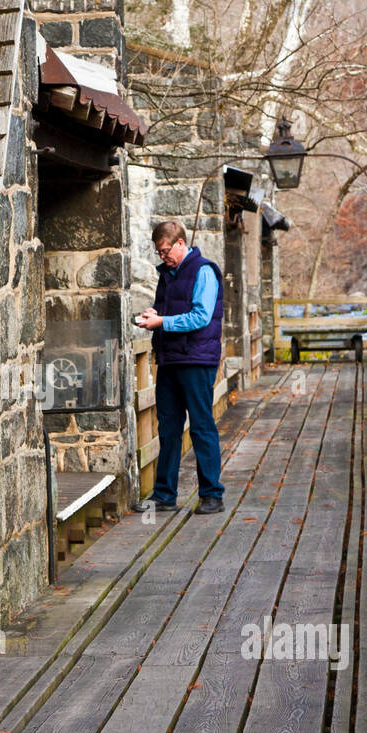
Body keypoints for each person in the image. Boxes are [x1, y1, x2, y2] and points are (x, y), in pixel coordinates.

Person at [132, 221, 226, 516]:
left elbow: (200, 317)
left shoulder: (204, 271)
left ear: (181, 243)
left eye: (165, 251)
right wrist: (154, 315)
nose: (163, 257)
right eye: (159, 253)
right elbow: (172, 312)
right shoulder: (167, 275)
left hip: (197, 360)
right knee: (168, 428)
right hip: (170, 359)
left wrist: (162, 322)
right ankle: (164, 495)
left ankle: (212, 495)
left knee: (201, 426)